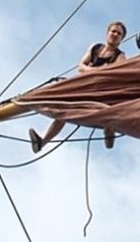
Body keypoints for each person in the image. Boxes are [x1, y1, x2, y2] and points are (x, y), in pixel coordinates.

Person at [29, 21, 127, 153]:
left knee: (106, 112)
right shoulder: (95, 48)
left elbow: (114, 76)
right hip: (83, 85)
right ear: (107, 33)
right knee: (62, 111)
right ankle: (43, 142)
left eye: (119, 33)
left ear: (121, 39)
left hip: (101, 92)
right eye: (113, 31)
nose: (115, 34)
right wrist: (96, 71)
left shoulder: (120, 56)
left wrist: (94, 71)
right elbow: (81, 66)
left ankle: (109, 131)